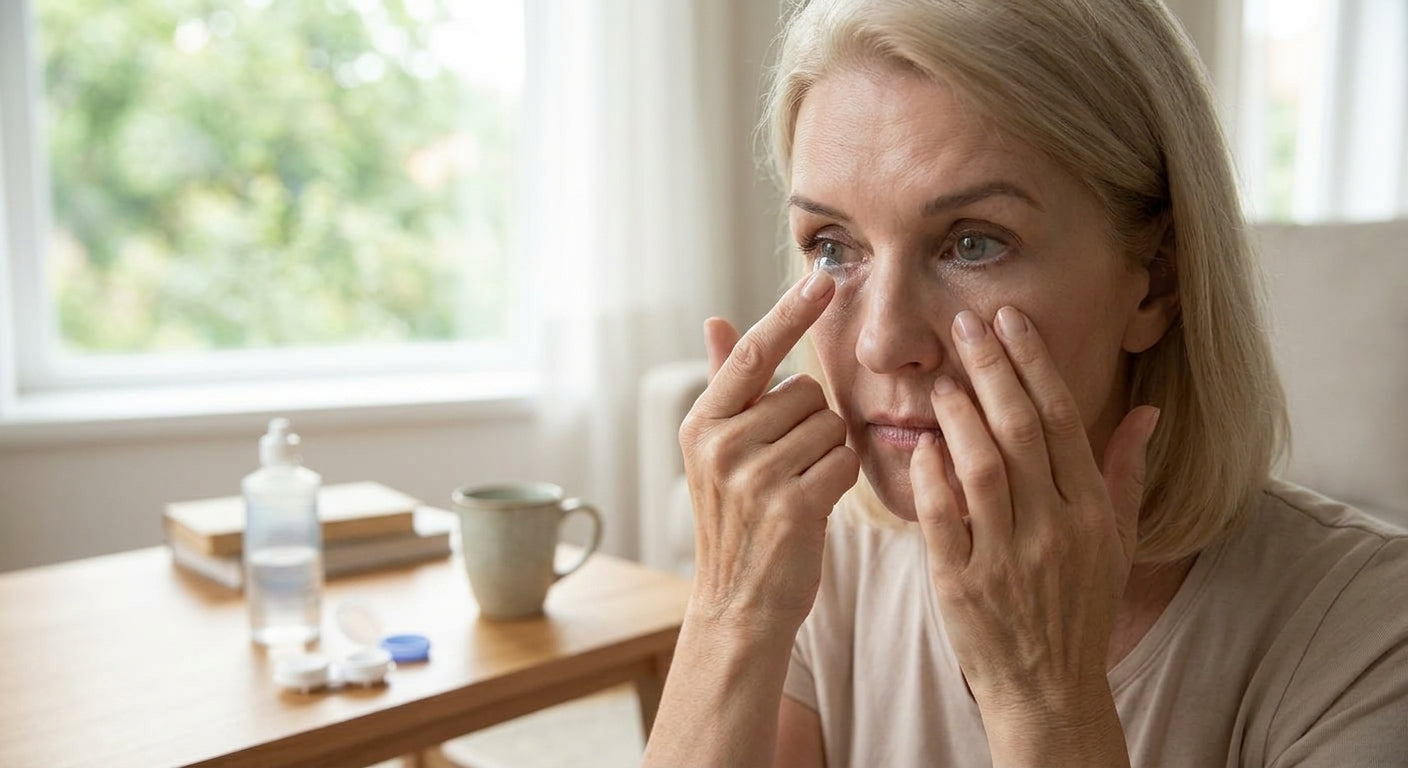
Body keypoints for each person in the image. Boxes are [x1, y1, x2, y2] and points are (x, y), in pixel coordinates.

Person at [641, 0, 1408, 766]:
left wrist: (1044, 695)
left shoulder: (1372, 634)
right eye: (833, 246)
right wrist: (731, 611)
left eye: (972, 244)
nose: (882, 342)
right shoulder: (823, 559)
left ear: (1156, 283)